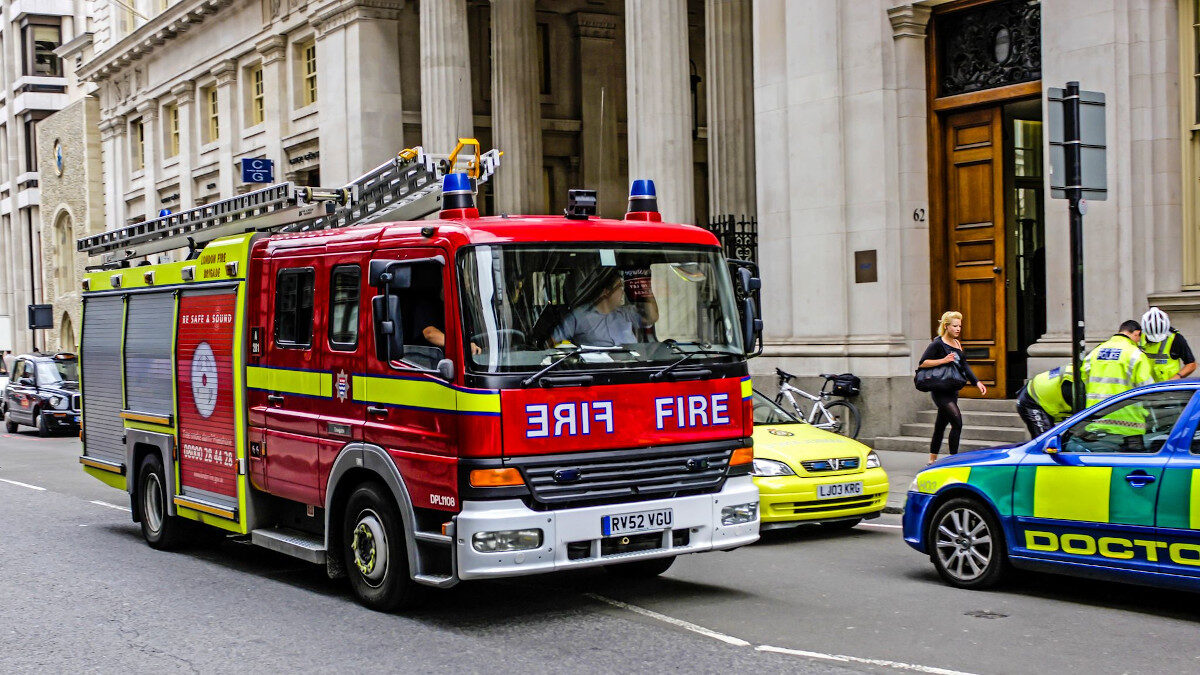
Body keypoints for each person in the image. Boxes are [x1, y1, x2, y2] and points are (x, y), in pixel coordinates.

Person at [917, 311, 986, 464]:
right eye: (955, 326)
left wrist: (977, 382)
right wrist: (943, 360)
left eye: (959, 326)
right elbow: (923, 363)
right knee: (957, 422)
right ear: (946, 326)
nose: (958, 329)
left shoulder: (957, 344)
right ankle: (954, 459)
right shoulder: (937, 343)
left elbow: (964, 365)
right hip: (940, 391)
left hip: (952, 390)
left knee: (940, 425)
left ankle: (932, 459)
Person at [552, 268, 659, 347]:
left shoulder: (626, 312)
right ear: (606, 292)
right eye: (619, 287)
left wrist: (646, 290)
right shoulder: (579, 316)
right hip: (600, 371)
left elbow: (651, 317)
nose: (623, 291)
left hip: (631, 368)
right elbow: (552, 341)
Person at [1015, 365, 1074, 438]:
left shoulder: (1078, 371)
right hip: (1031, 402)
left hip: (1043, 395)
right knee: (1044, 440)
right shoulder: (1072, 382)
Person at [1139, 307, 1196, 381]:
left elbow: (1191, 364)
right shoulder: (1139, 337)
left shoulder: (1175, 339)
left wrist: (1176, 377)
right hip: (1145, 388)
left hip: (1168, 388)